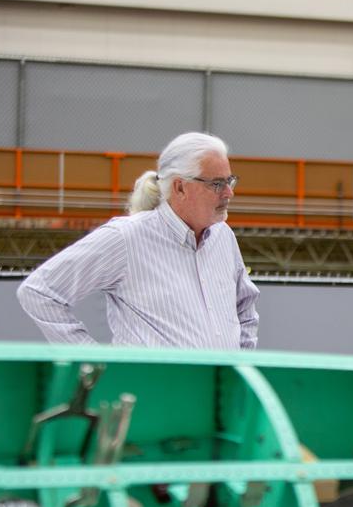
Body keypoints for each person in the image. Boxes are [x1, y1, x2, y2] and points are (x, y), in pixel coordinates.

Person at [17, 132, 259, 348]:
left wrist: (242, 367)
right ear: (180, 188)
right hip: (150, 395)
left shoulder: (223, 236)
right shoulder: (126, 238)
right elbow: (39, 292)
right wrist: (97, 364)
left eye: (229, 181)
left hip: (218, 394)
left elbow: (245, 310)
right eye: (217, 184)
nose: (229, 193)